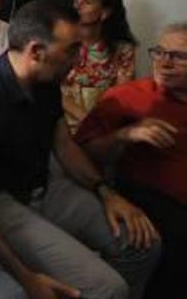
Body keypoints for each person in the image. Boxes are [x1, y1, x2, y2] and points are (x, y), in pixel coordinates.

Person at [0, 0, 160, 299]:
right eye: (72, 49)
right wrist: (27, 279)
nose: (78, 58)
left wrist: (107, 193)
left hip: (42, 186)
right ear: (36, 51)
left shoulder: (45, 80)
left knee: (144, 245)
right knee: (107, 288)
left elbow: (62, 143)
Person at [75, 22, 187, 297]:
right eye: (159, 52)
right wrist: (125, 135)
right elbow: (83, 151)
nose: (164, 62)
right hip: (150, 198)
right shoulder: (128, 97)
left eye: (178, 56)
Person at [62, 0, 136, 134]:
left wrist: (98, 124)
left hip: (101, 125)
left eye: (87, 2)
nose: (77, 7)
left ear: (104, 13)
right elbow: (51, 90)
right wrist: (87, 120)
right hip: (61, 122)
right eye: (76, 2)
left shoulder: (123, 50)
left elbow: (121, 95)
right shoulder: (61, 44)